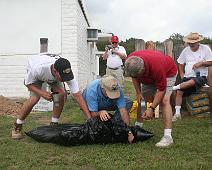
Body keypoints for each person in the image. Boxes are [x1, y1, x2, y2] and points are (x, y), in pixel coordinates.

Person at [12, 53, 91, 139]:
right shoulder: (37, 69)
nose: (65, 79)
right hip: (37, 77)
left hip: (52, 76)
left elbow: (78, 96)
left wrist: (89, 119)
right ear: (55, 71)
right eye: (63, 77)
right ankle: (18, 125)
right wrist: (42, 93)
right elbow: (27, 83)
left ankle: (54, 124)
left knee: (61, 93)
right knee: (34, 98)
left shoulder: (64, 69)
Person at [124, 50, 178, 147]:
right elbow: (134, 77)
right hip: (149, 75)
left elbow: (161, 90)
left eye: (137, 75)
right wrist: (138, 92)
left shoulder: (157, 68)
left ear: (143, 70)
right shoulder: (131, 61)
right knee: (141, 99)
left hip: (168, 73)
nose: (135, 77)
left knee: (164, 101)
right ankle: (138, 126)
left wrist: (152, 108)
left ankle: (168, 136)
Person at [82, 75, 134, 143]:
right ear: (103, 88)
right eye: (110, 93)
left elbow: (123, 111)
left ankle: (115, 124)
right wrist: (100, 112)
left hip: (107, 102)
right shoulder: (92, 90)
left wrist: (129, 131)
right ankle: (101, 120)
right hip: (92, 104)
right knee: (94, 121)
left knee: (128, 102)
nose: (113, 95)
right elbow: (93, 113)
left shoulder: (117, 88)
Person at [172, 32, 212, 121]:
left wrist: (201, 63)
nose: (191, 44)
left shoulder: (205, 49)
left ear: (198, 42)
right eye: (189, 43)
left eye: (193, 43)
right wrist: (182, 74)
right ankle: (177, 114)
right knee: (179, 92)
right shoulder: (186, 50)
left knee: (193, 81)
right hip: (187, 76)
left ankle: (174, 87)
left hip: (201, 77)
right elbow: (180, 63)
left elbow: (211, 62)